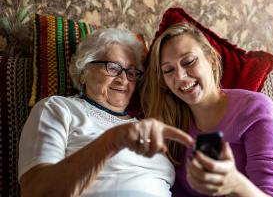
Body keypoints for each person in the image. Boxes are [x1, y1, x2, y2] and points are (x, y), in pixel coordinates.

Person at [140, 22, 273, 197]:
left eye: (188, 61)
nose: (180, 76)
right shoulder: (173, 125)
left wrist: (234, 183)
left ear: (211, 58)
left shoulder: (255, 110)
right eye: (169, 70)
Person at [18, 28, 194, 197]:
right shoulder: (58, 108)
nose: (123, 79)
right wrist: (111, 142)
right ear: (83, 72)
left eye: (131, 72)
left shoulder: (146, 123)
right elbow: (36, 191)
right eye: (113, 68)